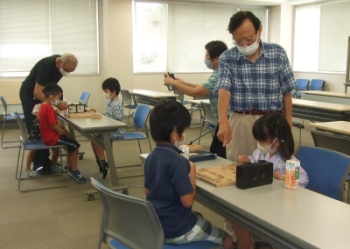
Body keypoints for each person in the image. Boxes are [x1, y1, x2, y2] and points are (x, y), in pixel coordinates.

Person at [144, 100, 234, 249]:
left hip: (158, 225)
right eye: (184, 130)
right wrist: (191, 170)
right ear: (174, 131)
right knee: (228, 239)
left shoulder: (152, 156)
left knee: (198, 216)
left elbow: (147, 191)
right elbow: (188, 201)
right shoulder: (178, 162)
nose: (185, 134)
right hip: (178, 230)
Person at [214, 11, 296, 164]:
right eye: (238, 41)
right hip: (241, 120)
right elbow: (224, 89)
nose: (244, 45)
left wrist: (288, 123)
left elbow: (287, 92)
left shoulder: (277, 53)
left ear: (259, 30)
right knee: (239, 167)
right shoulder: (227, 57)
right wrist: (223, 121)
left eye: (249, 39)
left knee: (275, 169)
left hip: (272, 122)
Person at [228, 111, 309, 249]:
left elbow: (303, 179)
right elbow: (255, 161)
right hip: (260, 200)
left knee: (243, 224)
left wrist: (284, 178)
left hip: (277, 208)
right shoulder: (261, 152)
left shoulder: (288, 161)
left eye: (261, 141)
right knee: (236, 220)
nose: (259, 144)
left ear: (276, 141)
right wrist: (248, 160)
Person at [164, 41, 228, 158]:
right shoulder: (218, 72)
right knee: (217, 150)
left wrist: (173, 82)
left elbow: (196, 92)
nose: (206, 59)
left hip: (227, 119)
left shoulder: (221, 72)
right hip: (224, 118)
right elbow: (201, 86)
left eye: (207, 55)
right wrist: (181, 82)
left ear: (217, 57)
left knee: (220, 152)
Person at [19, 53, 78, 175]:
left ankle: (46, 161)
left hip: (39, 97)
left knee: (44, 127)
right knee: (36, 128)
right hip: (29, 95)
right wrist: (56, 103)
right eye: (67, 70)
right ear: (59, 63)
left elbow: (50, 89)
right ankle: (40, 165)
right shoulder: (47, 66)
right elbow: (37, 92)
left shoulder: (59, 66)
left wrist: (56, 102)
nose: (66, 73)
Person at [39, 84, 86, 184]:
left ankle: (70, 167)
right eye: (58, 98)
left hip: (48, 135)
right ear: (52, 97)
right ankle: (74, 170)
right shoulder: (49, 108)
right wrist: (65, 132)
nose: (59, 100)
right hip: (51, 137)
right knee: (74, 145)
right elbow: (53, 126)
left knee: (71, 143)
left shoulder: (43, 106)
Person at [91, 77, 125, 179]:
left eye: (106, 91)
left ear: (114, 92)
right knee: (93, 139)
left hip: (116, 130)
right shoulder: (110, 102)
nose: (104, 93)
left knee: (97, 139)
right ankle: (101, 162)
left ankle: (104, 164)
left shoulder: (116, 104)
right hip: (109, 128)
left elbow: (118, 121)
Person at [25, 104, 60, 177]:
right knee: (33, 150)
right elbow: (40, 118)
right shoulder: (37, 106)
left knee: (56, 150)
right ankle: (27, 168)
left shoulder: (53, 107)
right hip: (38, 132)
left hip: (49, 131)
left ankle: (53, 166)